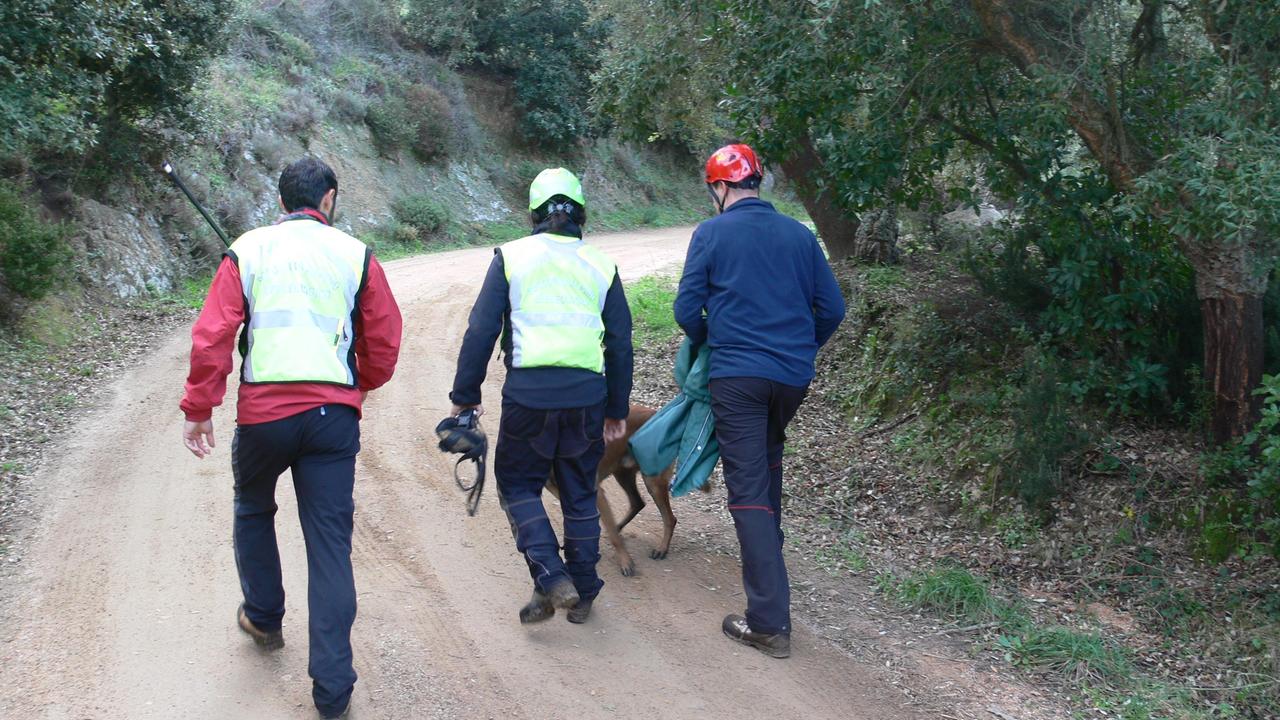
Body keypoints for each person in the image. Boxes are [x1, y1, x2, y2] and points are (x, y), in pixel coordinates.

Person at [179, 156, 402, 719]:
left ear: (282, 202)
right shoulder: (357, 255)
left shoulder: (247, 250)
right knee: (329, 545)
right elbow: (384, 338)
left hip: (263, 417)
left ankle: (263, 616)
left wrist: (200, 406)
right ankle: (332, 691)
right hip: (332, 419)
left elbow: (213, 335)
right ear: (328, 199)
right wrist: (362, 384)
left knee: (254, 508)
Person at [673, 143, 845, 659]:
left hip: (738, 378)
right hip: (791, 378)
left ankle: (768, 623)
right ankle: (770, 569)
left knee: (747, 491)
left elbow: (686, 310)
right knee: (767, 472)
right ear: (758, 183)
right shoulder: (800, 234)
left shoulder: (711, 233)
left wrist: (713, 339)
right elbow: (831, 309)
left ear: (720, 187)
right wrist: (797, 348)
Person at [449, 167, 632, 625]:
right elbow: (621, 342)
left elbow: (481, 329)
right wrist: (615, 408)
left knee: (517, 485)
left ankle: (552, 575)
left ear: (533, 213)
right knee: (578, 491)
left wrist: (465, 396)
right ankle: (584, 589)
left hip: (530, 395)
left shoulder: (511, 257)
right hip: (588, 398)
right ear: (580, 214)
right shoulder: (601, 264)